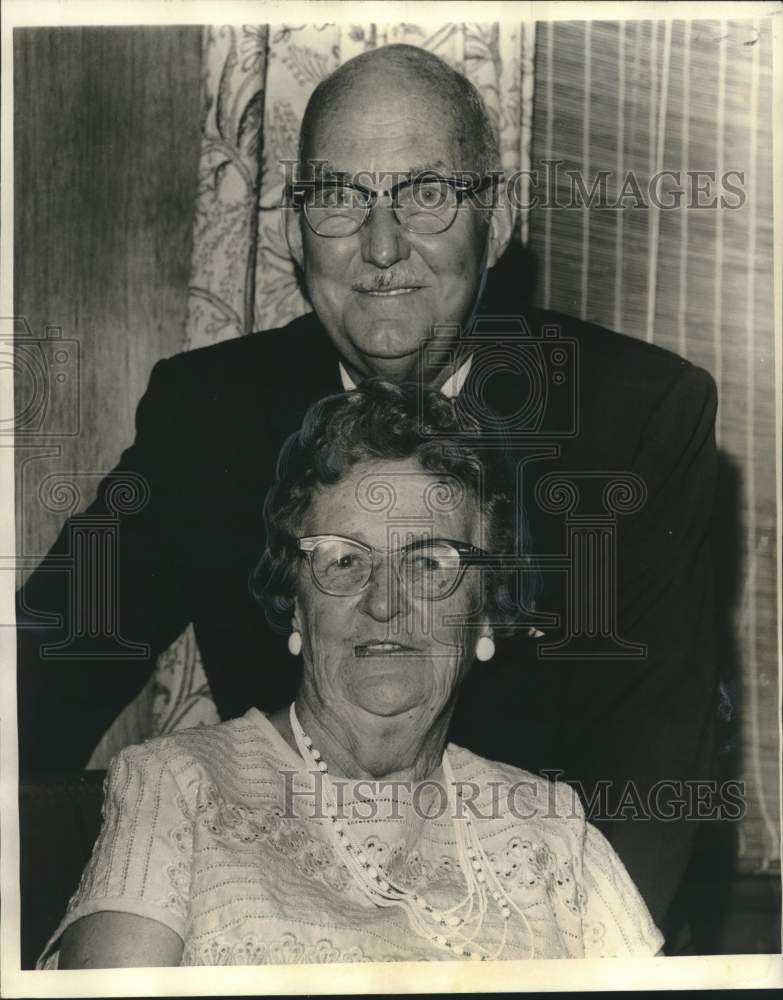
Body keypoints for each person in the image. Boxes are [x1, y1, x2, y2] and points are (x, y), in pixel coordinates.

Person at [17, 43, 718, 932]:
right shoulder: (212, 416)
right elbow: (43, 672)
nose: (382, 248)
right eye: (339, 198)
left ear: (491, 223)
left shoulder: (636, 417)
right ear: (290, 229)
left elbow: (656, 775)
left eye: (425, 194)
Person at [40, 382, 663, 968]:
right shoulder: (176, 790)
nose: (384, 602)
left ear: (485, 615)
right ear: (298, 606)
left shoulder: (553, 828)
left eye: (428, 563)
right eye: (345, 560)